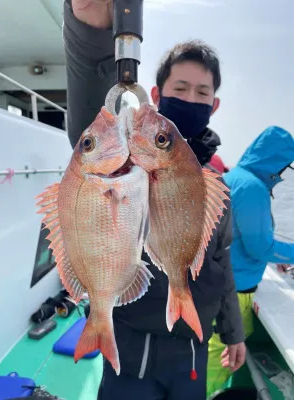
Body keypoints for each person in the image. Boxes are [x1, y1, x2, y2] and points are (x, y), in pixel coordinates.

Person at [63, 1, 246, 399]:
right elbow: (88, 132)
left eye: (202, 92)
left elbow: (222, 263)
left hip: (193, 353)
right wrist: (91, 30)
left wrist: (234, 333)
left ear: (214, 105)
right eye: (180, 89)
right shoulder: (129, 164)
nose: (191, 98)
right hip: (129, 352)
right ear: (157, 94)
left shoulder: (218, 183)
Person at [207, 125, 294, 394]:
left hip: (218, 282)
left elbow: (242, 238)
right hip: (236, 290)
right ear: (276, 162)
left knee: (209, 354)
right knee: (219, 359)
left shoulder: (237, 178)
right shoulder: (253, 187)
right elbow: (260, 247)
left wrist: (274, 257)